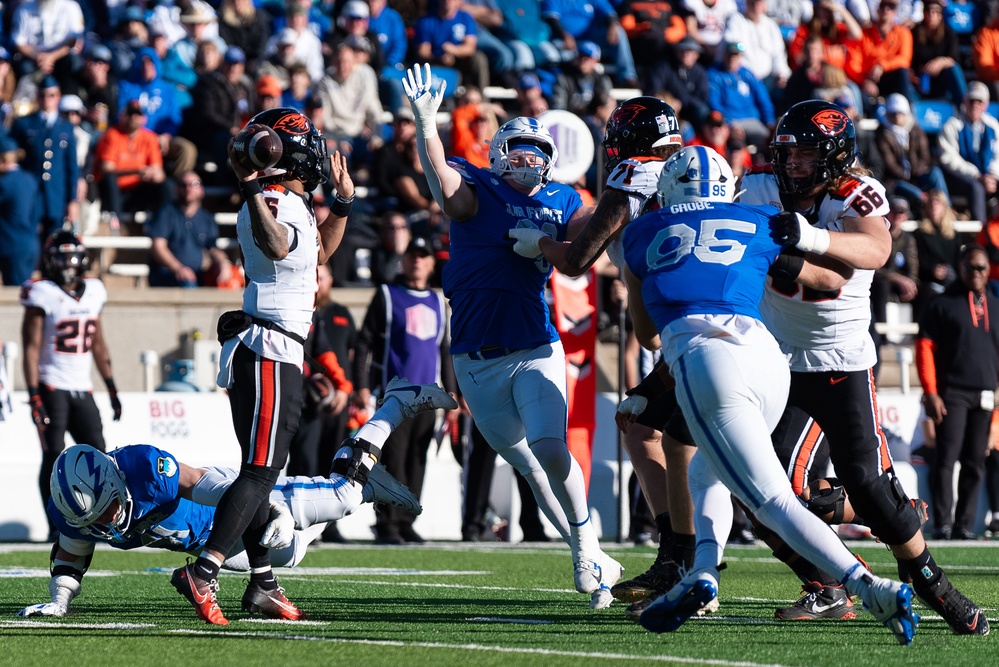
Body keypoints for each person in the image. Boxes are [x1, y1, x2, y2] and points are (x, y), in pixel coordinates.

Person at [619, 145, 918, 644]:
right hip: (767, 358)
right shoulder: (757, 218)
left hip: (705, 357)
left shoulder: (642, 233)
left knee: (772, 500)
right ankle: (702, 573)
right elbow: (828, 278)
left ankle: (870, 587)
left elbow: (648, 335)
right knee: (702, 468)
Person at [740, 100, 988, 634]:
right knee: (763, 489)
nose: (794, 166)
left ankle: (932, 582)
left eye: (807, 156)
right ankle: (827, 586)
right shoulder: (757, 189)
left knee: (870, 484)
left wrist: (807, 237)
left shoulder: (855, 194)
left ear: (834, 156)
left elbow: (876, 248)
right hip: (778, 360)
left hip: (841, 362)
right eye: (788, 155)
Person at [401, 62, 621, 604]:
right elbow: (444, 187)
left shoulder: (564, 198)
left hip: (534, 345)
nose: (528, 158)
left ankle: (586, 546)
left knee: (549, 445)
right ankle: (587, 548)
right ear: (499, 152)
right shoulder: (477, 186)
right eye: (518, 148)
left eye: (537, 151)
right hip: (476, 357)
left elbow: (588, 243)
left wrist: (619, 204)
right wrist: (428, 125)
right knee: (527, 465)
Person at [18, 386, 449, 618]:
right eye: (97, 518)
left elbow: (221, 487)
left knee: (341, 494)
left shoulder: (146, 469)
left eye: (109, 508)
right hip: (214, 546)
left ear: (115, 482)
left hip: (230, 506)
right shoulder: (76, 508)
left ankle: (393, 405)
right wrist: (59, 599)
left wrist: (272, 506)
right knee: (294, 552)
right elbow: (72, 555)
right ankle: (370, 489)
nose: (109, 522)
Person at [170, 107, 354, 626]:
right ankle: (204, 571)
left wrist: (342, 202)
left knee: (263, 471)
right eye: (308, 144)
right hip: (270, 349)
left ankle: (263, 583)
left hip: (273, 347)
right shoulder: (271, 198)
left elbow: (317, 253)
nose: (316, 153)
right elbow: (276, 244)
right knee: (260, 469)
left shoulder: (289, 200)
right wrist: (251, 185)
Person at [508, 96, 687, 604]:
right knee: (650, 429)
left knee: (757, 476)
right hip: (721, 319)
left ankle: (689, 564)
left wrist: (541, 243)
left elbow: (577, 259)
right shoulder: (700, 166)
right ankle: (679, 559)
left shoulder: (635, 173)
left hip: (689, 332)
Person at [353, 236, 459, 544]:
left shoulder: (438, 301)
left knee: (417, 459)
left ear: (431, 264)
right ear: (403, 260)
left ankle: (407, 519)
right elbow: (364, 341)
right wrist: (362, 385)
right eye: (412, 255)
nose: (417, 261)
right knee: (393, 459)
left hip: (427, 398)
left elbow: (444, 349)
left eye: (423, 257)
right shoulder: (387, 295)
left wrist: (452, 393)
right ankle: (387, 523)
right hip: (395, 397)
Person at [20, 231, 122, 540]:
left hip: (83, 388)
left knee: (100, 458)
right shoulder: (42, 292)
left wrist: (112, 387)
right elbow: (31, 348)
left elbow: (99, 342)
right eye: (62, 256)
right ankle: (55, 526)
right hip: (52, 387)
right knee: (53, 454)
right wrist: (34, 394)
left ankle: (101, 519)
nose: (68, 263)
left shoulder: (94, 290)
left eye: (72, 255)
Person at [916, 244, 999, 540]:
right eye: (969, 267)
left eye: (980, 268)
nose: (975, 273)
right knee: (946, 458)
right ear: (960, 267)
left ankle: (965, 525)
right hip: (952, 393)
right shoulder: (942, 303)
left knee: (976, 461)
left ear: (988, 270)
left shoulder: (996, 304)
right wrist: (931, 392)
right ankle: (943, 523)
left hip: (986, 394)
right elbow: (923, 348)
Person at [10, 77, 79, 236]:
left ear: (58, 97)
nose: (47, 100)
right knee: (29, 238)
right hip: (31, 193)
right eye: (42, 95)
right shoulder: (24, 124)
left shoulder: (66, 128)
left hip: (56, 194)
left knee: (53, 238)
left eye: (52, 95)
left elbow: (72, 167)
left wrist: (72, 200)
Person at [146, 171, 233, 287]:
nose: (188, 188)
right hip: (168, 274)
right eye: (183, 184)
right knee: (188, 282)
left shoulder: (206, 218)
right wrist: (178, 268)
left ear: (201, 190)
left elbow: (213, 248)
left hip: (197, 274)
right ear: (176, 189)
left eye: (194, 184)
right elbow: (158, 247)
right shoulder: (166, 212)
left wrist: (223, 263)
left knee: (229, 282)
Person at [93, 99, 168, 217]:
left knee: (167, 186)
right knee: (109, 179)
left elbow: (159, 174)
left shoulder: (150, 138)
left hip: (137, 190)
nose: (133, 117)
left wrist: (150, 174)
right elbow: (106, 168)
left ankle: (162, 224)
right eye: (130, 113)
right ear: (122, 116)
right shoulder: (112, 134)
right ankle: (116, 222)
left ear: (144, 118)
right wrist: (137, 171)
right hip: (114, 190)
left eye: (137, 114)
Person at [938, 81, 999, 224]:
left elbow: (997, 155)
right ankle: (981, 231)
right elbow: (948, 158)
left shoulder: (993, 126)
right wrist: (976, 175)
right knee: (976, 188)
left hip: (989, 176)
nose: (975, 105)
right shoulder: (952, 125)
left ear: (986, 104)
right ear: (965, 101)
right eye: (971, 100)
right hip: (961, 178)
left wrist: (993, 175)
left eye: (979, 101)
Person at [0, 137, 40, 286]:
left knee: (17, 297)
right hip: (29, 244)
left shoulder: (4, 183)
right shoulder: (29, 179)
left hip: (11, 246)